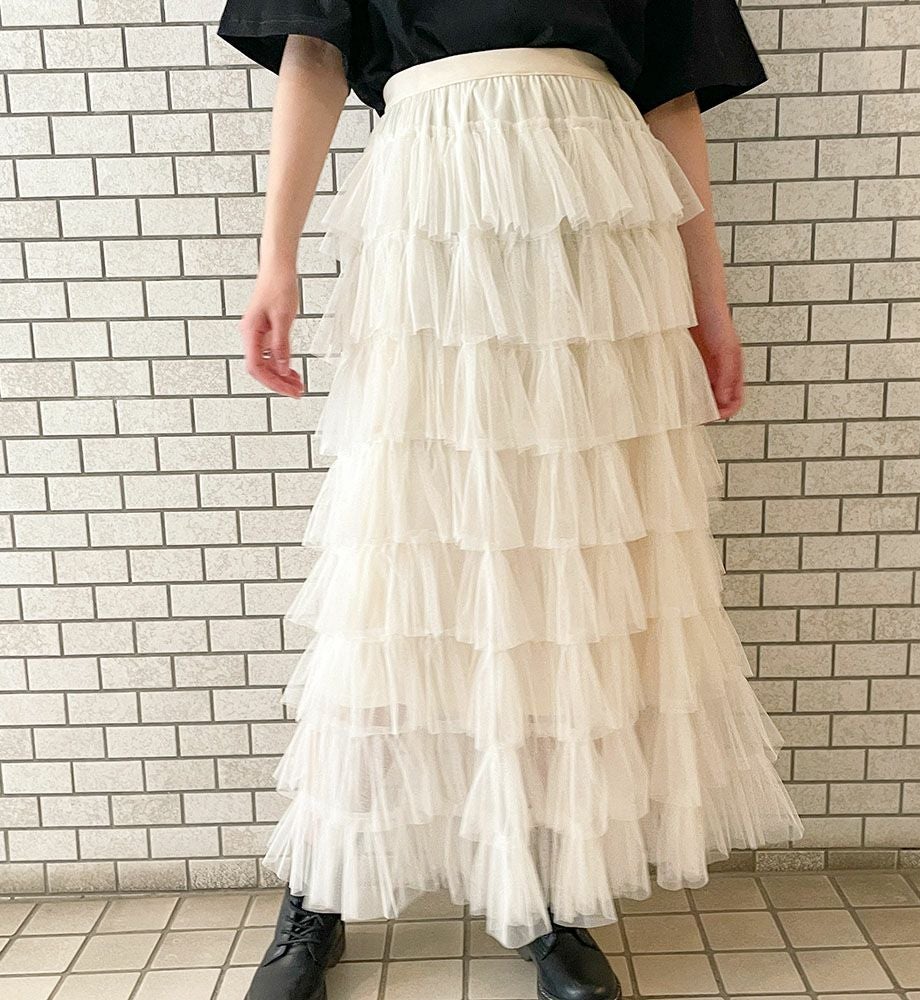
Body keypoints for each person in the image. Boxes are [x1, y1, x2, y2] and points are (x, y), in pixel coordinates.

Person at [215, 3, 805, 999]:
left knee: (560, 566)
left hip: (597, 219)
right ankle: (319, 881)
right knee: (398, 554)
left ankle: (548, 891)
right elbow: (313, 50)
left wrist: (709, 301)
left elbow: (670, 93)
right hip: (434, 203)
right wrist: (276, 261)